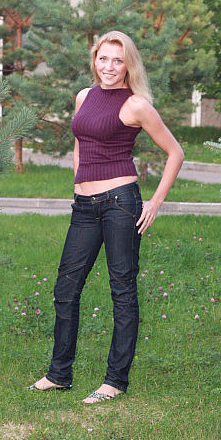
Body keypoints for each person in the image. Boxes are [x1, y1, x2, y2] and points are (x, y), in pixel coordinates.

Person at [28, 31, 185, 403]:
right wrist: (78, 185)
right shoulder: (84, 96)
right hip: (85, 207)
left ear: (128, 65)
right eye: (103, 58)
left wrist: (155, 202)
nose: (109, 67)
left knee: (122, 291)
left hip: (120, 204)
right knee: (65, 290)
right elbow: (80, 144)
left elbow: (175, 152)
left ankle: (114, 381)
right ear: (94, 60)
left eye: (118, 60)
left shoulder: (136, 105)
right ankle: (59, 374)